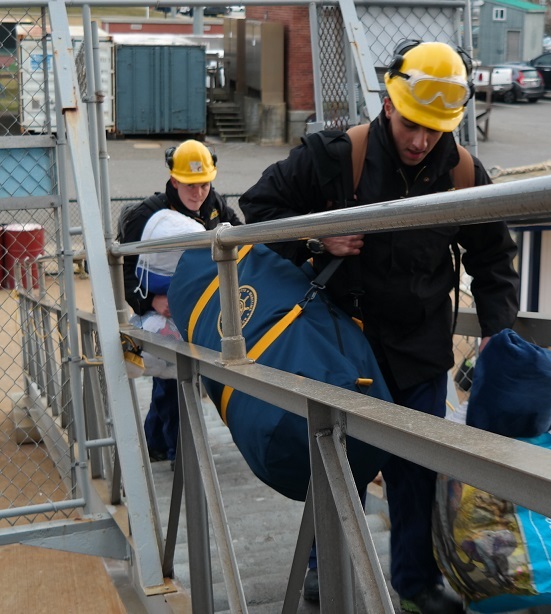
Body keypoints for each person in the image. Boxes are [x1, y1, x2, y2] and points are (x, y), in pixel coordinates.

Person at [239, 41, 519, 613]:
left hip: (420, 348)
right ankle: (324, 567)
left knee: (416, 470)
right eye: (413, 124)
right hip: (344, 345)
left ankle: (414, 583)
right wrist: (317, 237)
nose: (421, 142)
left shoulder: (462, 171)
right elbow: (257, 208)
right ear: (389, 103)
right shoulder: (337, 156)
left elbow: (492, 257)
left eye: (435, 130)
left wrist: (498, 330)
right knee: (337, 459)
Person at [119, 139, 242, 467]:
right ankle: (181, 454)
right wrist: (150, 301)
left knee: (174, 378)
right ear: (174, 181)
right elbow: (124, 269)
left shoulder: (215, 206)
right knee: (173, 378)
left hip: (203, 310)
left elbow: (240, 241)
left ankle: (155, 441)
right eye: (190, 186)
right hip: (165, 313)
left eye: (204, 184)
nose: (198, 193)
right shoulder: (146, 216)